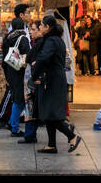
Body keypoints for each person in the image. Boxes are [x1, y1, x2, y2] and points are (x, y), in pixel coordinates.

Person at [30, 14, 82, 154]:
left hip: (52, 81)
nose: (39, 27)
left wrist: (34, 73)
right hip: (53, 79)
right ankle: (51, 145)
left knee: (51, 115)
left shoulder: (51, 41)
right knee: (48, 114)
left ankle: (72, 137)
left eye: (41, 25)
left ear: (48, 27)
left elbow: (43, 58)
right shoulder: (55, 39)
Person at [0, 9, 33, 137]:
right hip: (20, 71)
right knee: (19, 99)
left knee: (16, 97)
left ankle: (11, 122)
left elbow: (4, 58)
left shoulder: (7, 38)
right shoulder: (23, 38)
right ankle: (14, 126)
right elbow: (27, 56)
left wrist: (6, 74)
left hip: (10, 71)